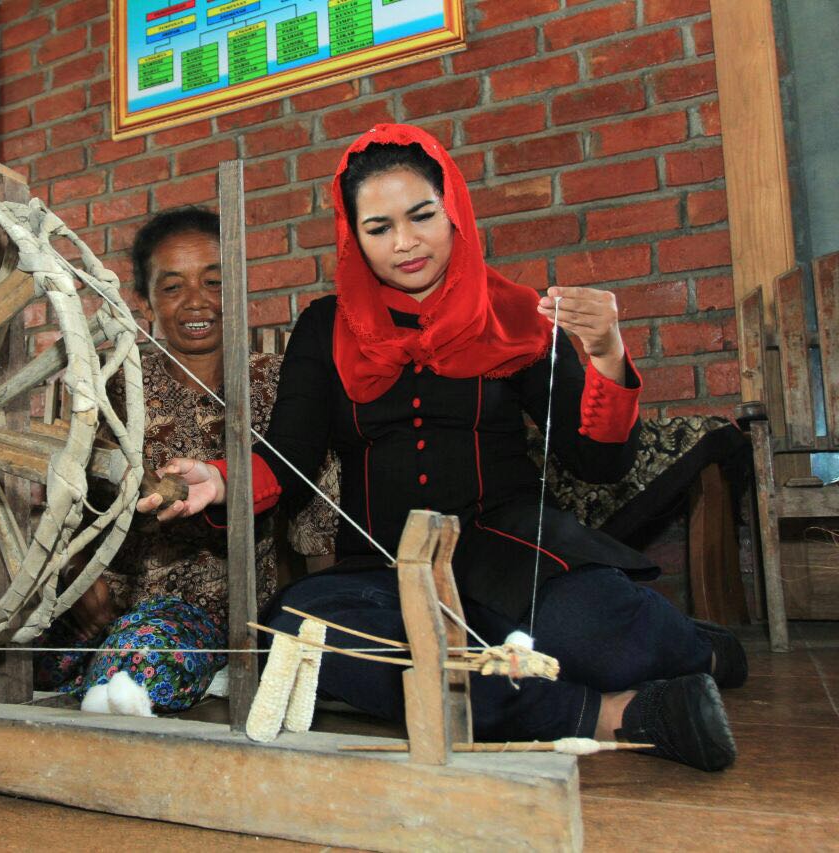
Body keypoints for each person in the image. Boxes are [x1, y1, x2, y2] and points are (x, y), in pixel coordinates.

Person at [137, 125, 745, 770]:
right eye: (378, 227)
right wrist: (222, 479)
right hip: (380, 568)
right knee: (308, 638)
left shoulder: (516, 313)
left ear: (453, 210)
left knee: (599, 637)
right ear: (354, 236)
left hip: (512, 549)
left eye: (422, 216)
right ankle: (616, 713)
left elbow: (598, 463)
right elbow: (288, 455)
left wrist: (607, 358)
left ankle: (700, 652)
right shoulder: (324, 326)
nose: (404, 243)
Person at [34, 206, 328, 715]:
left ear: (238, 288)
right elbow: (59, 501)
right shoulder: (111, 390)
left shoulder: (283, 384)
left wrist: (310, 637)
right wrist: (81, 576)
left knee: (140, 660)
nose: (196, 301)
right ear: (144, 303)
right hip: (106, 605)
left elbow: (319, 516)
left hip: (221, 617)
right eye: (172, 287)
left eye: (214, 281)